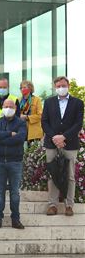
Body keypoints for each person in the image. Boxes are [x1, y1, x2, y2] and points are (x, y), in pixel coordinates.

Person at [42, 76, 84, 217]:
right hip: (51, 143)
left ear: (68, 86)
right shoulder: (48, 102)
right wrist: (55, 137)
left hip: (70, 143)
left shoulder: (78, 103)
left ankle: (69, 205)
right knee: (53, 174)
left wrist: (64, 137)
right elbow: (44, 122)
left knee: (70, 176)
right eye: (58, 86)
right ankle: (52, 205)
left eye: (63, 85)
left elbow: (78, 124)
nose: (61, 88)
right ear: (55, 87)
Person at [0, 99, 27, 229]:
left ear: (15, 108)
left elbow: (20, 138)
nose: (8, 108)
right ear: (2, 107)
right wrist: (9, 134)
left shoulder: (21, 123)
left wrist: (0, 140)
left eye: (10, 106)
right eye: (5, 106)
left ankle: (16, 219)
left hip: (15, 161)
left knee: (15, 193)